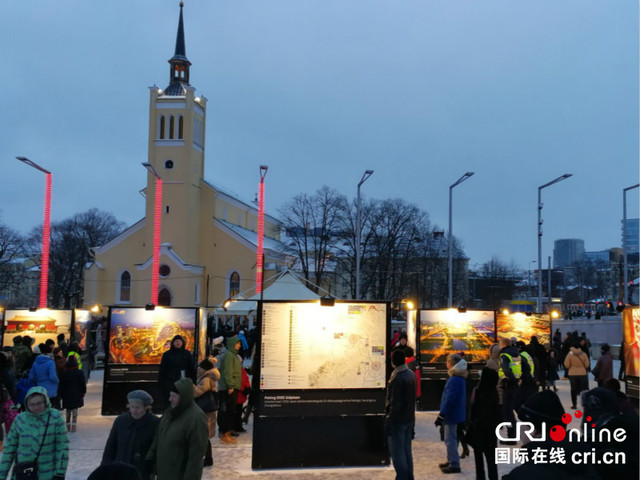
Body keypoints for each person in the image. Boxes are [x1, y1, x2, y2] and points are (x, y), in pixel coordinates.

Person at [0, 386, 69, 480]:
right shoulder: (20, 420)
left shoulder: (55, 417)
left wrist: (60, 473)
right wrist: (2, 475)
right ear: (27, 404)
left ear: (46, 402)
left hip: (47, 474)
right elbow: (9, 450)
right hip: (23, 474)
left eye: (39, 403)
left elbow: (62, 447)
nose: (36, 407)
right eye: (32, 404)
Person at [146, 378, 208, 480]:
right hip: (164, 472)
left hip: (179, 474)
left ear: (184, 397)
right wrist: (150, 458)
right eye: (170, 395)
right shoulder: (170, 413)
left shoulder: (196, 418)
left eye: (173, 396)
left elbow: (196, 456)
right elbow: (158, 436)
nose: (170, 399)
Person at [102, 390, 159, 480]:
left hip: (141, 472)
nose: (134, 411)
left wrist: (153, 471)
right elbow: (111, 446)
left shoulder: (154, 423)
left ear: (146, 407)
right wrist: (105, 467)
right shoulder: (120, 421)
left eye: (138, 407)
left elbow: (156, 449)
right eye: (131, 407)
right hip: (120, 471)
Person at [385, 349, 416, 480]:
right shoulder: (410, 374)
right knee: (406, 450)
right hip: (409, 418)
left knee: (398, 453)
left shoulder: (397, 378)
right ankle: (409, 477)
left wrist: (389, 421)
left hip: (398, 421)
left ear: (393, 362)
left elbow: (395, 403)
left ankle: (402, 477)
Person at [435, 353, 467, 474]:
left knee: (450, 439)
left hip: (451, 414)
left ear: (451, 363)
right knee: (451, 438)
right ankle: (451, 460)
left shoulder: (454, 379)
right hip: (455, 413)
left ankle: (454, 464)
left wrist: (442, 414)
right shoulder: (459, 378)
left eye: (447, 362)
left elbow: (449, 399)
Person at [467, 367, 500, 480]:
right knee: (492, 462)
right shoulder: (494, 392)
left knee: (479, 462)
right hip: (491, 432)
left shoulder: (478, 391)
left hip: (479, 430)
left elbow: (473, 410)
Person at [497, 337, 530, 442]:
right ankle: (522, 430)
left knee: (507, 411)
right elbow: (527, 367)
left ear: (503, 345)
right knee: (514, 408)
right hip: (517, 386)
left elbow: (506, 370)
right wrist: (521, 378)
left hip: (509, 385)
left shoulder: (504, 355)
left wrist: (512, 379)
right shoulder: (517, 354)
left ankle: (512, 436)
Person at [194, 358, 220, 467]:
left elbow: (199, 391)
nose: (198, 369)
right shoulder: (209, 377)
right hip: (209, 409)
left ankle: (207, 459)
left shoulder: (206, 379)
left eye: (200, 367)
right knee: (205, 435)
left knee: (203, 435)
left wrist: (190, 388)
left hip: (205, 409)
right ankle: (208, 458)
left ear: (204, 369)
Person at [158, 335, 195, 409]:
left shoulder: (187, 354)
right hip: (170, 382)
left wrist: (192, 381)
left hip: (183, 381)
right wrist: (161, 383)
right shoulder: (167, 355)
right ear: (173, 343)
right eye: (176, 341)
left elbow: (191, 368)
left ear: (182, 343)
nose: (178, 343)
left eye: (179, 341)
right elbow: (162, 369)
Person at [217, 336, 242, 445]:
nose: (239, 345)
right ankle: (224, 433)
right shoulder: (229, 356)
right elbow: (228, 372)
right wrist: (230, 385)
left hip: (232, 387)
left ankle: (227, 431)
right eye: (237, 343)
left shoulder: (233, 355)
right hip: (228, 388)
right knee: (226, 411)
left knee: (230, 410)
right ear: (232, 344)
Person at [58, 356, 86, 432]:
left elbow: (61, 385)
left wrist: (61, 394)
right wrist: (83, 392)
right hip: (77, 393)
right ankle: (74, 425)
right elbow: (82, 384)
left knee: (68, 409)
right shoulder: (79, 373)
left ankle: (67, 425)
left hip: (66, 394)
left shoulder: (64, 373)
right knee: (75, 409)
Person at [29, 343, 60, 409]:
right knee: (50, 408)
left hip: (40, 388)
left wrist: (37, 381)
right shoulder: (51, 362)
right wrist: (57, 382)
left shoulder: (36, 362)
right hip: (51, 389)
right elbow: (52, 376)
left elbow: (31, 376)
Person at [564, 341, 590, 409]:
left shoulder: (569, 354)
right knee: (584, 389)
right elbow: (587, 364)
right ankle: (585, 403)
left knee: (573, 389)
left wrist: (571, 367)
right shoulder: (584, 354)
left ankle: (574, 404)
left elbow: (566, 364)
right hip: (582, 373)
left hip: (572, 374)